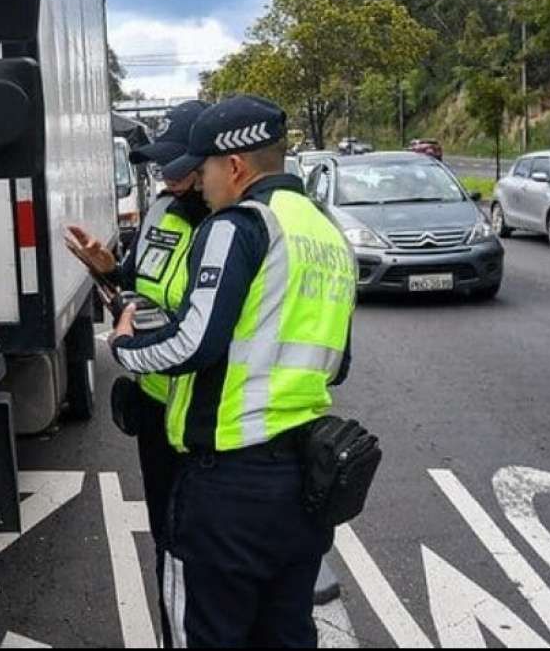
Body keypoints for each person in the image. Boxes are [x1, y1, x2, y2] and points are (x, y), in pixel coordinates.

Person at [108, 95, 357, 648]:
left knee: (210, 631)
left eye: (206, 169)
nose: (199, 182)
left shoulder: (238, 224)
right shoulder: (326, 233)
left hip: (229, 481)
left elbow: (193, 343)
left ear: (236, 166)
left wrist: (124, 347)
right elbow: (337, 364)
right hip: (306, 481)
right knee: (287, 633)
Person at [65, 100, 209, 648]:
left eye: (180, 167)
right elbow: (137, 288)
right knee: (168, 548)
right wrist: (108, 269)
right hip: (157, 412)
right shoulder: (160, 213)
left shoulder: (229, 229)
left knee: (204, 557)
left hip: (206, 417)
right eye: (162, 165)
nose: (168, 178)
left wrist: (130, 344)